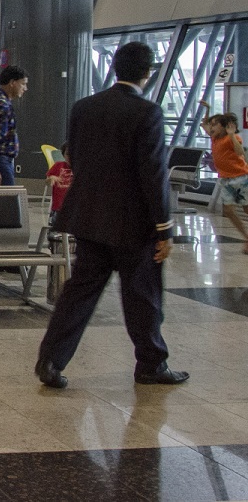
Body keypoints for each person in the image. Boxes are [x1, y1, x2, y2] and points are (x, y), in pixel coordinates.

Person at [36, 41, 186, 390]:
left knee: (79, 293)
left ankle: (50, 360)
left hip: (88, 217)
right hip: (133, 223)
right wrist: (164, 227)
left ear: (115, 67)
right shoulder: (147, 113)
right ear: (147, 73)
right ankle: (151, 363)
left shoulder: (84, 107)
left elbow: (73, 156)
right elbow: (154, 173)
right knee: (143, 296)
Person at [203, 113, 248, 252]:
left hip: (240, 177)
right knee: (228, 210)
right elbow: (204, 124)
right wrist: (207, 109)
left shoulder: (231, 138)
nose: (211, 127)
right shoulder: (214, 138)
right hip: (225, 179)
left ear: (223, 127)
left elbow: (240, 153)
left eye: (215, 124)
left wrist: (232, 134)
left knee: (246, 209)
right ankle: (246, 238)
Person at [46, 144, 73, 228]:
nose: (70, 157)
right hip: (57, 208)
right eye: (68, 154)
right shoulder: (58, 165)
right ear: (63, 155)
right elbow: (47, 182)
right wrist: (51, 178)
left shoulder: (79, 168)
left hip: (72, 209)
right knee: (54, 232)